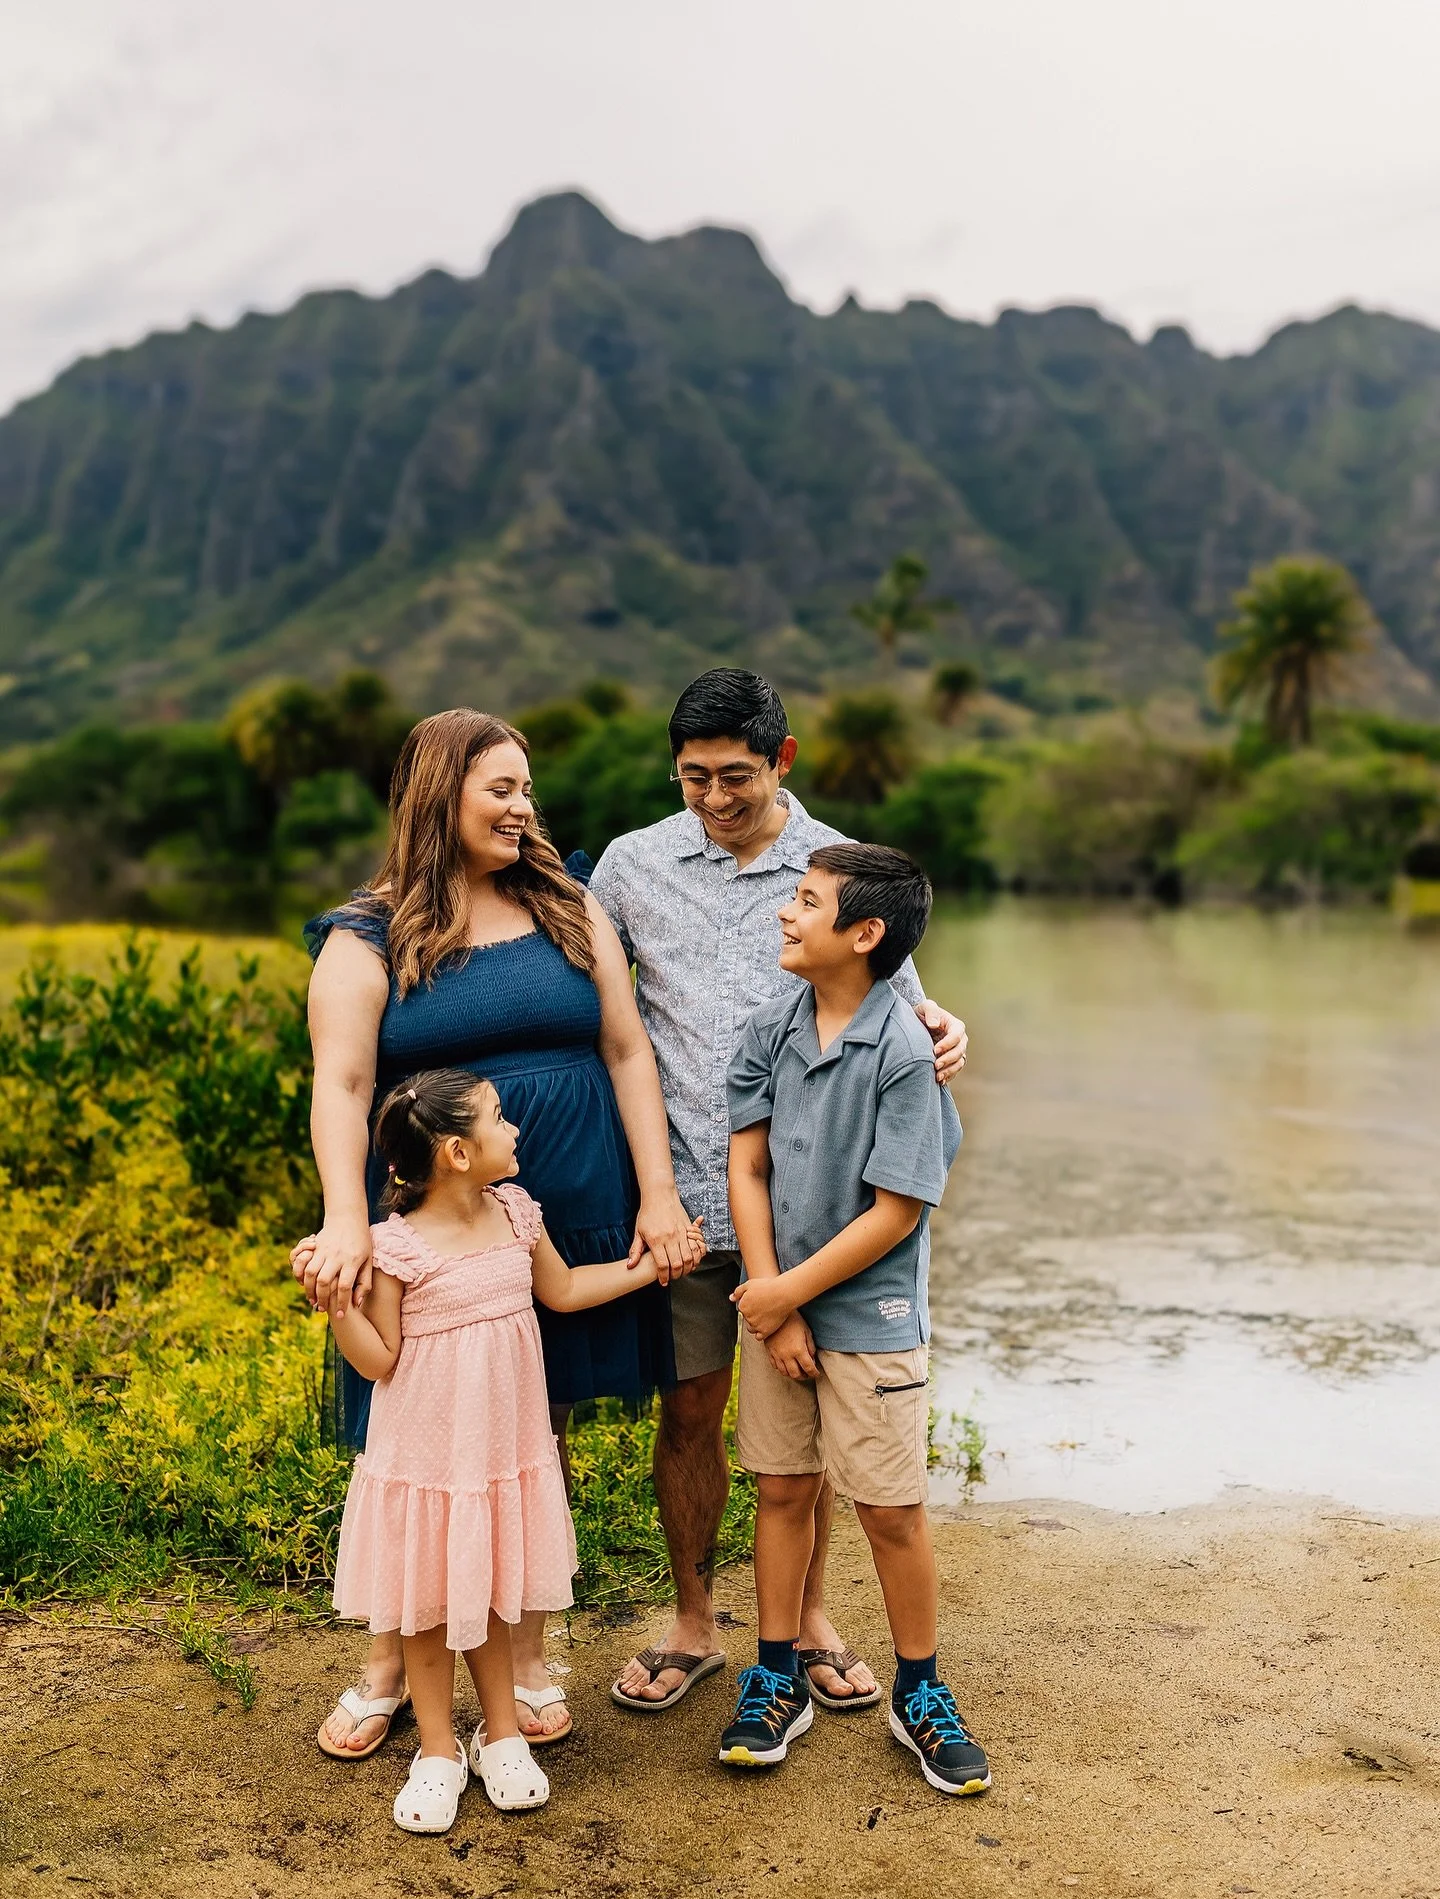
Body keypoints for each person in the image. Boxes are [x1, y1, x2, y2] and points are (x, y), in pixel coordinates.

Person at [294, 709, 696, 1759]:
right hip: (434, 1216)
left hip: (563, 1194)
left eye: (527, 789)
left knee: (533, 1421)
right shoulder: (367, 932)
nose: (524, 807)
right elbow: (340, 1084)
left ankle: (522, 1658)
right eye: (501, 790)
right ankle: (391, 1658)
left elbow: (628, 1051)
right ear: (440, 797)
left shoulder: (568, 907)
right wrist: (348, 1220)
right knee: (409, 1428)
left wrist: (657, 1195)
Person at [592, 670, 969, 1714]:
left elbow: (900, 1002)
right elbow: (588, 999)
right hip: (682, 1202)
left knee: (800, 1430)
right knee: (692, 1411)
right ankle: (690, 1620)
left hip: (813, 1214)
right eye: (693, 778)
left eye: (737, 778)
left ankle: (803, 1618)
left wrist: (949, 1027)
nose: (713, 799)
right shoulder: (629, 866)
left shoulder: (837, 870)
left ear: (783, 761)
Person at [327, 1067, 705, 1832]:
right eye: (500, 1120)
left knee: (495, 1594)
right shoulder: (392, 1247)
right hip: (429, 1464)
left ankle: (500, 1736)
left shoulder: (516, 1213)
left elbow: (562, 1293)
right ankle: (437, 1750)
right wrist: (337, 1305)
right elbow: (380, 1360)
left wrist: (648, 1267)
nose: (516, 1131)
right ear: (458, 1154)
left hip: (500, 1455)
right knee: (427, 1607)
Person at [721, 842, 990, 1796]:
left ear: (864, 934)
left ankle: (919, 1690)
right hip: (777, 1308)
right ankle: (775, 1674)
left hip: (870, 1319)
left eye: (807, 901)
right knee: (784, 1490)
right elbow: (746, 1167)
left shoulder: (909, 1052)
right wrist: (770, 1298)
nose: (786, 914)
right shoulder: (766, 1031)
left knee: (888, 1508)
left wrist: (791, 1294)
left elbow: (897, 1211)